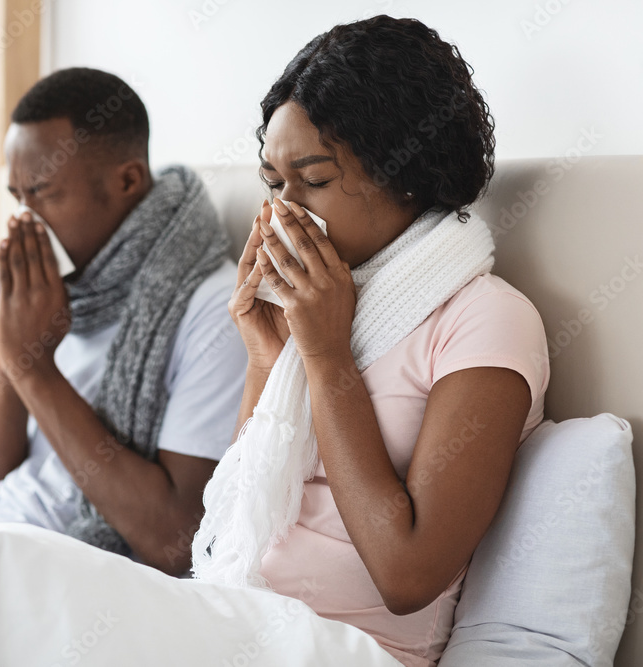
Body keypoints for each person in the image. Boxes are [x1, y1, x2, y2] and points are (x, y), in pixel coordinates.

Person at [190, 15, 549, 667]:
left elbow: (407, 574)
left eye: (314, 181)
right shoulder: (315, 308)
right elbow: (231, 526)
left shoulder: (487, 319)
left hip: (347, 649)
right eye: (273, 183)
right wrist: (269, 358)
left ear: (405, 173)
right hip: (234, 619)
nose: (283, 210)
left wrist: (328, 358)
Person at [0, 67, 248, 575]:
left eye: (44, 192)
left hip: (60, 566)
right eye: (17, 196)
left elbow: (177, 542)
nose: (24, 221)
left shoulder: (215, 311)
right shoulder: (43, 298)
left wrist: (34, 370)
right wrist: (8, 361)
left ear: (127, 181)